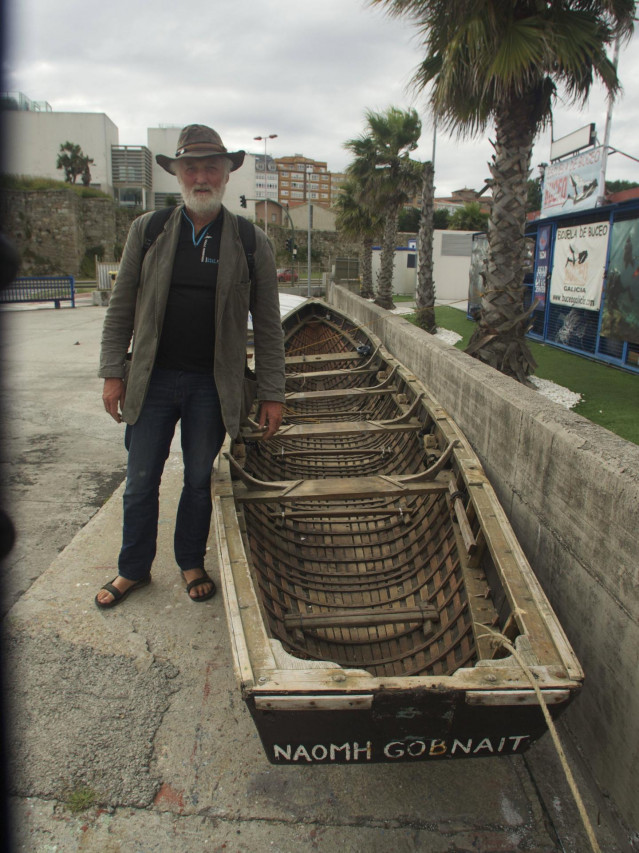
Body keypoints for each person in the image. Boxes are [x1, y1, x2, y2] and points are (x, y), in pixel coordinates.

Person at [95, 124, 285, 608]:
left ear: (226, 175)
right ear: (178, 174)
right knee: (139, 482)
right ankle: (132, 569)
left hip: (211, 385)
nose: (201, 176)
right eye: (191, 168)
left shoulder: (249, 240)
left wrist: (272, 393)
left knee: (199, 480)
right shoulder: (150, 230)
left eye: (211, 167)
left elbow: (267, 326)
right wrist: (113, 373)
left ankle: (189, 561)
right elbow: (120, 308)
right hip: (152, 380)